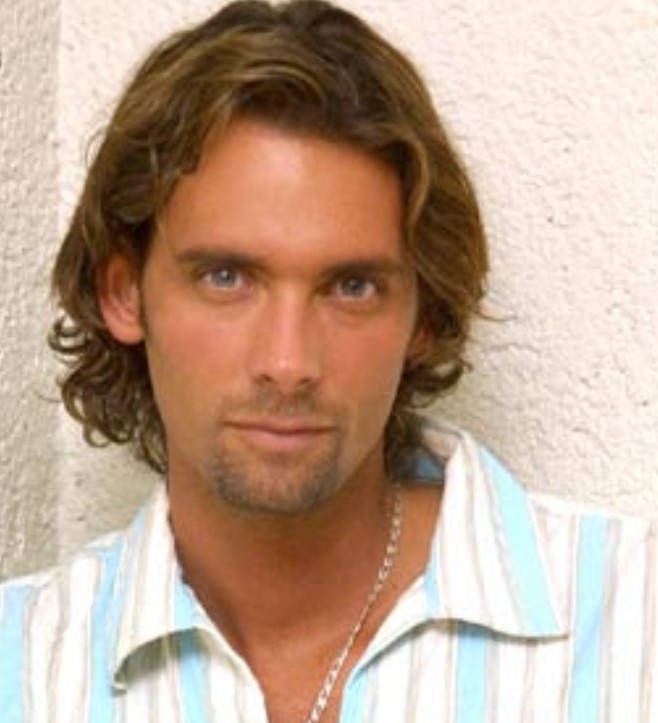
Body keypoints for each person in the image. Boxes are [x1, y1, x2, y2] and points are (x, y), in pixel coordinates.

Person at [0, 1, 655, 721]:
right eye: (226, 277)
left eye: (351, 287)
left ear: (424, 314)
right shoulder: (24, 669)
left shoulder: (632, 625)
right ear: (124, 293)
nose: (287, 362)